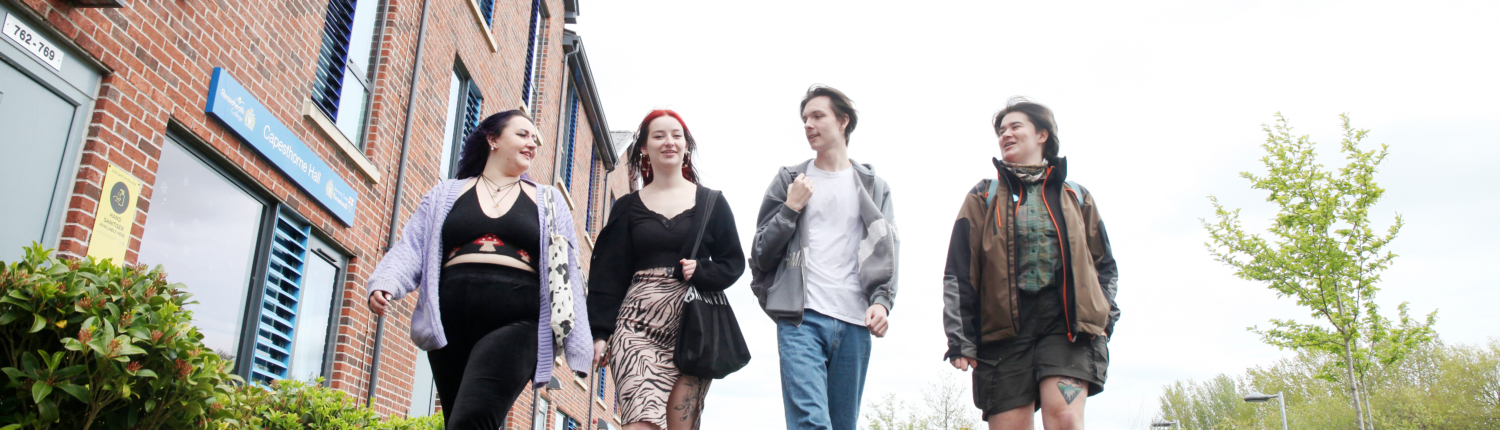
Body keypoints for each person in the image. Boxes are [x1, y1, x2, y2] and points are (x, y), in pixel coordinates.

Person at [365, 110, 591, 429]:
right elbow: (412, 246)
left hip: (519, 323)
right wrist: (386, 281)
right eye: (522, 134)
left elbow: (566, 274)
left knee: (471, 420)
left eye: (535, 139)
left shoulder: (549, 202)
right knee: (463, 420)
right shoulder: (446, 194)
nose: (532, 144)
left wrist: (579, 347)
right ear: (493, 139)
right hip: (450, 328)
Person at [941, 97, 1119, 430]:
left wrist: (1104, 316)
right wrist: (960, 337)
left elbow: (1104, 264)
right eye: (1001, 130)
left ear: (1042, 135)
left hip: (1065, 325)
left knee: (1066, 419)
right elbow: (959, 270)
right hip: (1002, 330)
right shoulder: (982, 196)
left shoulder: (1077, 196)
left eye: (1015, 126)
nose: (1005, 134)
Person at [749, 85, 899, 430]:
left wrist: (882, 302)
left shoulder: (875, 187)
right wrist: (790, 207)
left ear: (843, 121)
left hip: (855, 322)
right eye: (805, 118)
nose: (808, 124)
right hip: (802, 319)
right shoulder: (790, 180)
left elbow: (888, 251)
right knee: (812, 423)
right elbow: (760, 253)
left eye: (818, 116)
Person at [588, 110, 745, 430]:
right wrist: (600, 333)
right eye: (658, 135)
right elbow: (607, 273)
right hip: (636, 325)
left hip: (693, 328)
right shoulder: (627, 207)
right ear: (644, 148)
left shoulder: (712, 203)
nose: (669, 141)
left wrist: (702, 270)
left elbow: (733, 263)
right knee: (640, 421)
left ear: (687, 146)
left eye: (676, 135)